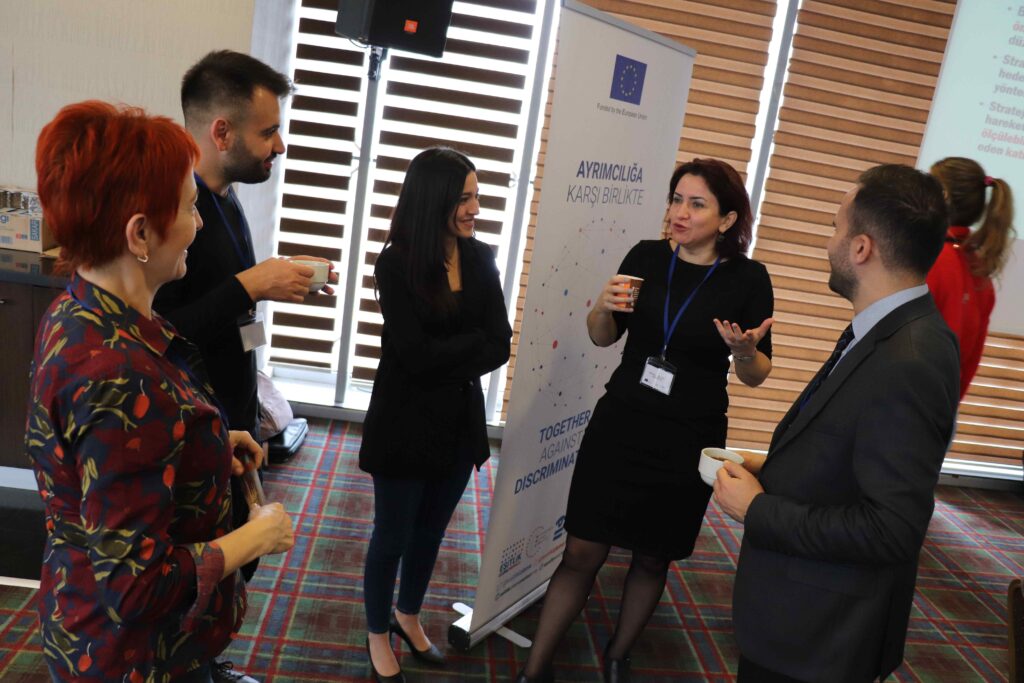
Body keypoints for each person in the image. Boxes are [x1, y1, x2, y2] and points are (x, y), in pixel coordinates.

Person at [26, 101, 295, 682]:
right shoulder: (118, 374)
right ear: (141, 233)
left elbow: (109, 465)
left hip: (90, 615)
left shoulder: (80, 310)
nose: (199, 225)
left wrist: (206, 444)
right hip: (136, 656)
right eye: (191, 208)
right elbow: (137, 586)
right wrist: (255, 537)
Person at [517, 158, 775, 683]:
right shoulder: (646, 258)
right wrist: (601, 306)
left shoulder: (748, 279)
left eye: (696, 204)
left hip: (688, 435)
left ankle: (618, 654)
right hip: (622, 423)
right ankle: (534, 670)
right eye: (676, 199)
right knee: (581, 550)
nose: (680, 212)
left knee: (653, 557)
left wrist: (745, 351)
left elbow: (756, 375)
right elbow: (603, 336)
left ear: (727, 220)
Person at [715, 164, 959, 683]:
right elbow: (856, 450)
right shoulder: (888, 330)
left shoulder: (908, 359)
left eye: (835, 228)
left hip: (821, 635)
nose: (829, 243)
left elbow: (891, 529)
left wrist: (757, 509)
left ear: (862, 248)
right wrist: (771, 466)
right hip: (802, 617)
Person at [153, 52, 333, 666]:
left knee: (236, 565)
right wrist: (250, 285)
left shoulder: (225, 199)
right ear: (222, 132)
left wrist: (274, 283)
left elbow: (225, 309)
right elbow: (159, 335)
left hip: (231, 417)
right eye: (269, 131)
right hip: (188, 431)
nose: (280, 145)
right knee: (202, 577)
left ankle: (210, 663)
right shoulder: (174, 218)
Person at [358, 147, 512, 682]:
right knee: (392, 536)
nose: (475, 209)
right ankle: (377, 630)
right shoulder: (395, 263)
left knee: (430, 533)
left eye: (476, 196)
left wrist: (446, 352)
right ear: (434, 200)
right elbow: (415, 354)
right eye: (464, 198)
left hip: (457, 422)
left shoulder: (480, 257)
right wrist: (468, 345)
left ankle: (407, 615)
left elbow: (500, 344)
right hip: (403, 423)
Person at [926, 157, 1015, 399]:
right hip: (940, 406)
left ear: (943, 196)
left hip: (902, 401)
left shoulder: (927, 258)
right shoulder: (980, 275)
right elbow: (970, 363)